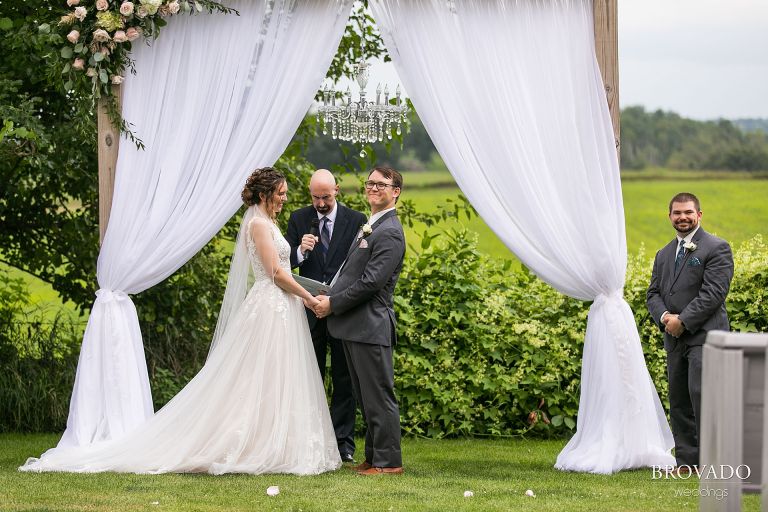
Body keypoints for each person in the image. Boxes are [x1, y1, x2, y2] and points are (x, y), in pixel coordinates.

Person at [19, 168, 341, 475]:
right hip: (270, 306)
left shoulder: (266, 221)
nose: (285, 198)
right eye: (281, 193)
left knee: (274, 378)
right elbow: (274, 273)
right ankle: (243, 442)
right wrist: (307, 296)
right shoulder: (257, 224)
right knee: (252, 379)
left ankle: (274, 441)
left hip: (279, 307)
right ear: (265, 194)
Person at [313, 167, 406, 475]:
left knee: (379, 396)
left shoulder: (390, 231)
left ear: (396, 192)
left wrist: (333, 304)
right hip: (356, 326)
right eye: (370, 183)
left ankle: (389, 462)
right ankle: (373, 458)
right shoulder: (372, 225)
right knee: (366, 398)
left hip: (371, 325)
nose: (374, 187)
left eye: (382, 184)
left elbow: (371, 282)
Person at [646, 192, 734, 470]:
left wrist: (682, 320)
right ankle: (686, 462)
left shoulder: (716, 248)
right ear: (669, 216)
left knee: (705, 399)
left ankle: (713, 462)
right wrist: (664, 317)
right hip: (674, 340)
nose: (682, 217)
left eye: (688, 212)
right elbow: (653, 294)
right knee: (680, 400)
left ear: (699, 214)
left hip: (705, 337)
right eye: (677, 213)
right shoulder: (662, 254)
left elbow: (714, 293)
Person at [285, 169, 367, 463]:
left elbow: (360, 265)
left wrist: (337, 299)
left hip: (342, 308)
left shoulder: (357, 220)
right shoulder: (298, 218)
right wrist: (301, 251)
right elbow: (283, 263)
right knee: (310, 376)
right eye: (315, 197)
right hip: (308, 310)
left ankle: (343, 443)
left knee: (345, 378)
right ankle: (311, 440)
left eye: (326, 197)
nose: (320, 203)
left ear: (337, 191)